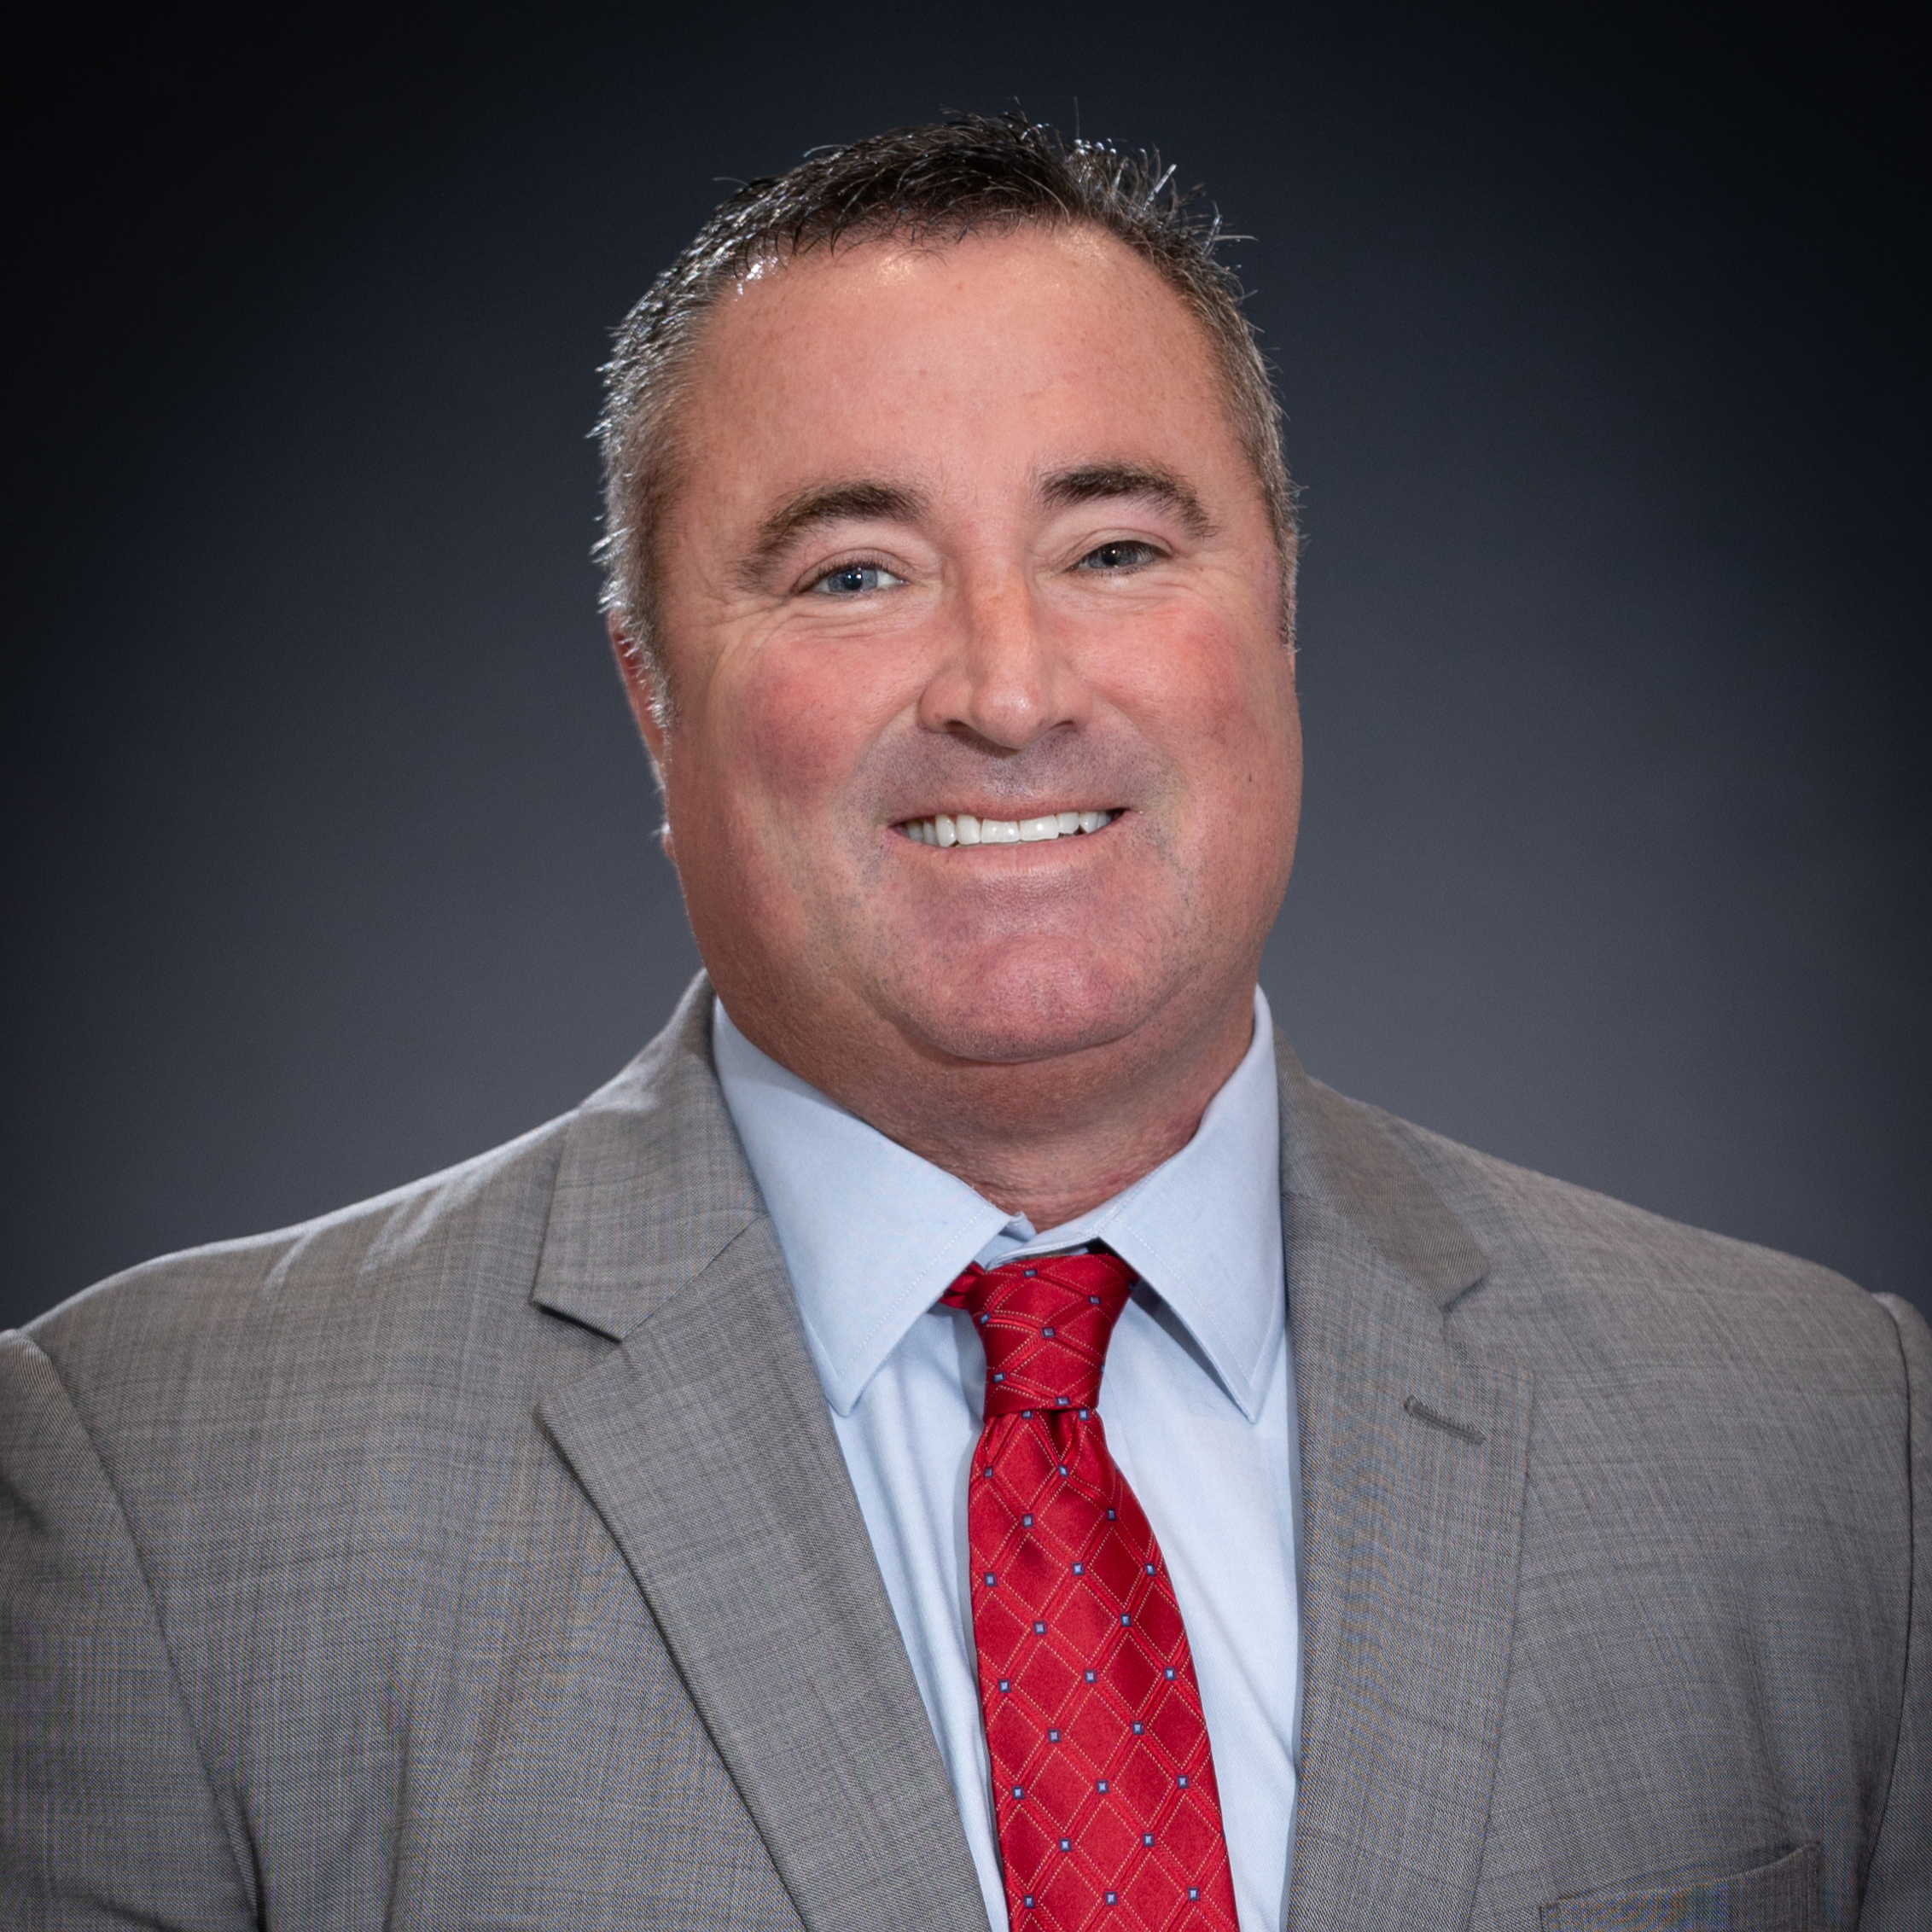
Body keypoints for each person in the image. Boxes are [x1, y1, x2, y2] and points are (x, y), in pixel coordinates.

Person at [2, 114, 1923, 1932]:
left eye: (1113, 550)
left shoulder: (1823, 1442)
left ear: (1275, 625)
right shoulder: (153, 1489)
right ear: (653, 701)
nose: (1009, 690)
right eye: (855, 574)